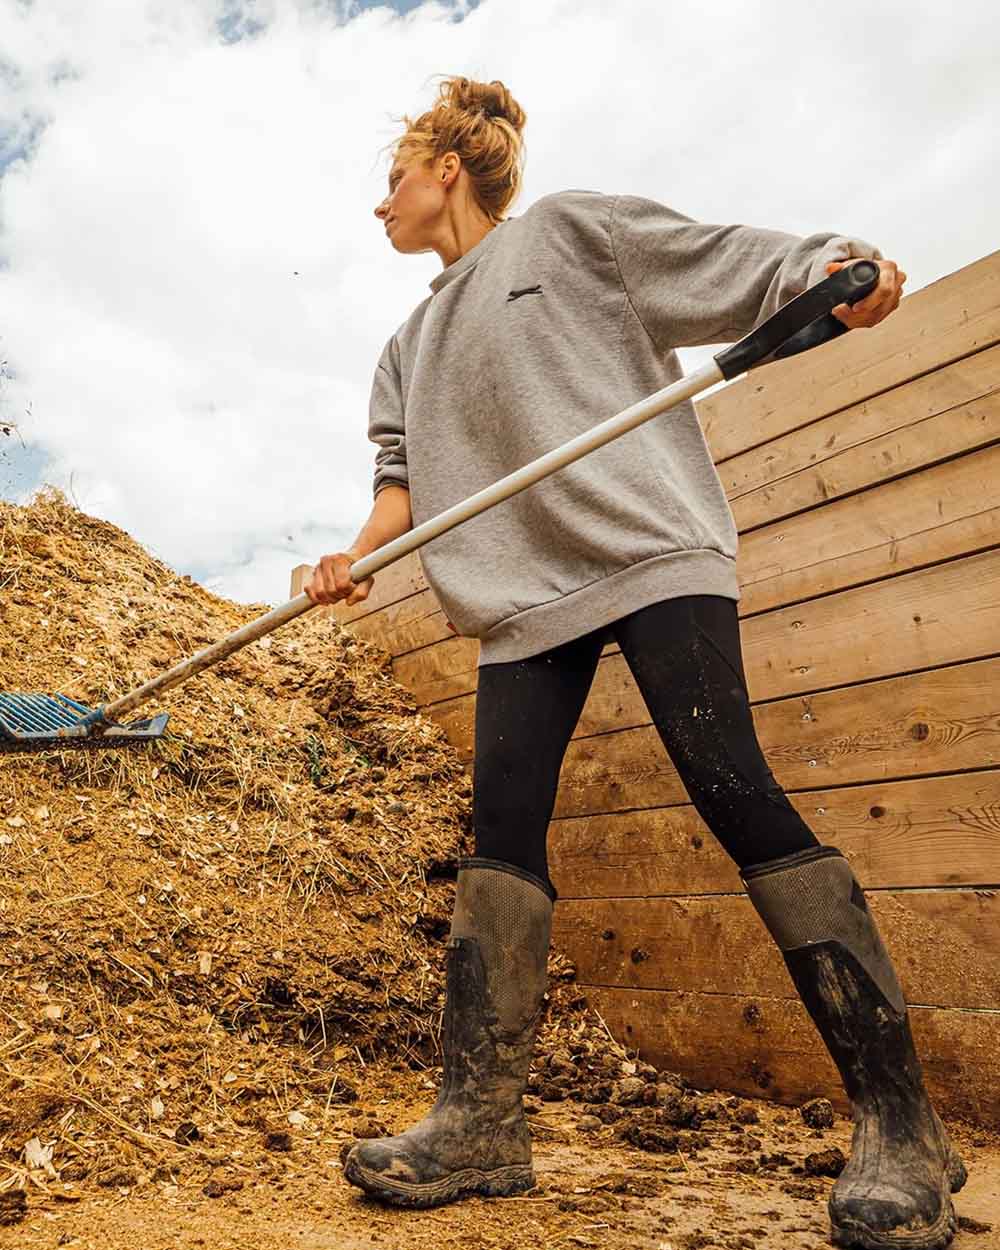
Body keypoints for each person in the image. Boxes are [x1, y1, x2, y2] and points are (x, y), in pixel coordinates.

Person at [304, 76, 965, 1250]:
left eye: (391, 179)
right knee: (499, 835)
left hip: (651, 549)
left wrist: (834, 268)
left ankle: (900, 1120)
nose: (380, 206)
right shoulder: (405, 347)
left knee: (733, 788)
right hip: (518, 596)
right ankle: (479, 1122)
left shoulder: (567, 233)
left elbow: (728, 263)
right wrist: (354, 560)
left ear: (444, 170)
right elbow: (398, 491)